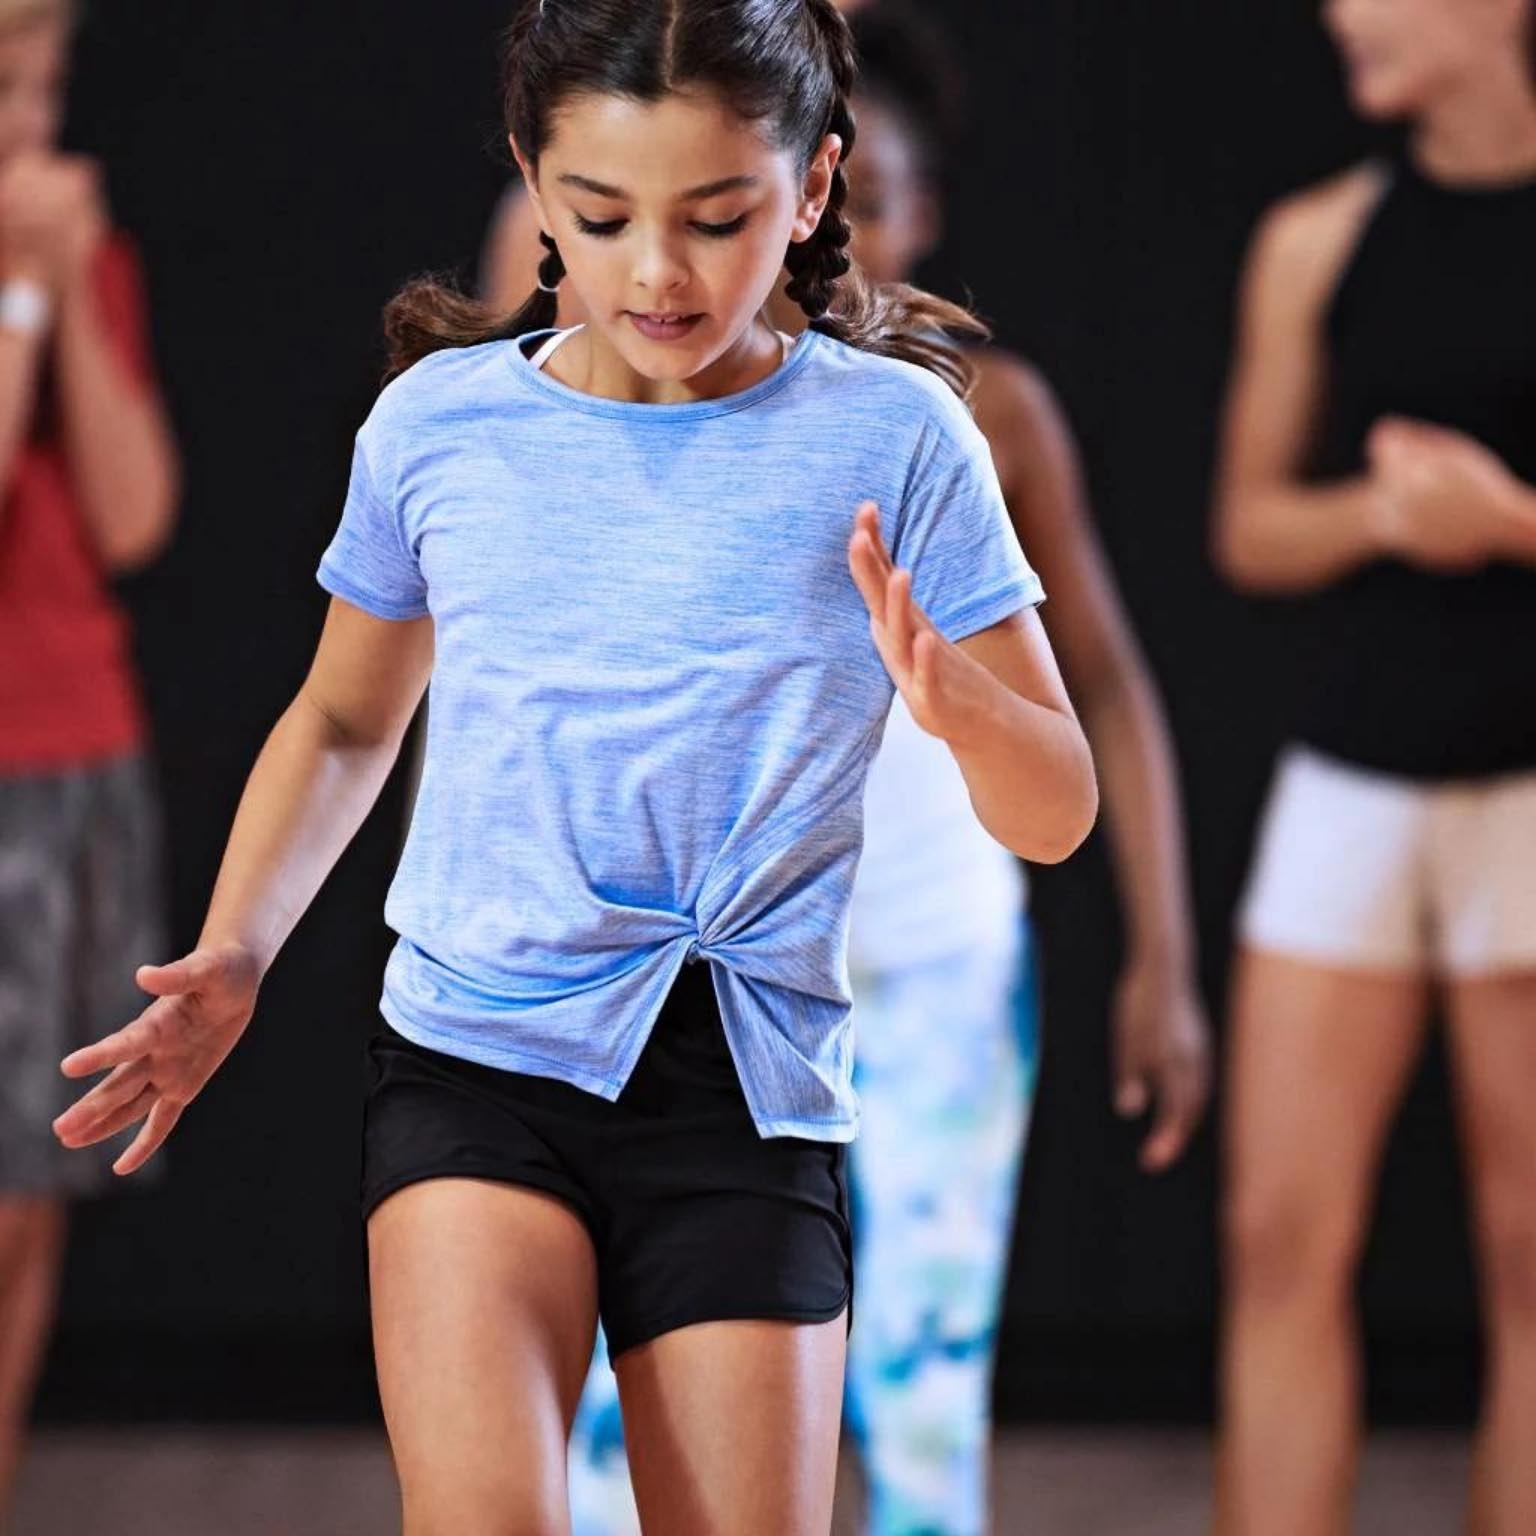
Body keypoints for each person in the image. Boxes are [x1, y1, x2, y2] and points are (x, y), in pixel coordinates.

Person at [54, 3, 1098, 1532]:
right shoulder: (441, 426)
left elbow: (1056, 807)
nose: (658, 272)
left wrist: (960, 704)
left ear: (812, 191)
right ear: (535, 194)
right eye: (602, 218)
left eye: (718, 216)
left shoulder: (902, 439)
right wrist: (239, 948)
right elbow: (346, 720)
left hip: (746, 1086)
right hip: (478, 1058)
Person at [482, 5, 1210, 1533]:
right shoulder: (608, 377)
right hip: (683, 976)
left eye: (860, 207)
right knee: (626, 1406)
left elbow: (1111, 697)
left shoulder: (971, 416)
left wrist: (1165, 952)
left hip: (927, 957)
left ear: (858, 202)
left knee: (923, 1387)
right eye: (633, 212)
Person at [1212, 1, 1536, 1530]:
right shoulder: (1318, 237)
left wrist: (1512, 520)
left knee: (1529, 1249)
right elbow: (1251, 525)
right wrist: (1391, 520)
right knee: (1280, 1237)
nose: (1345, 13)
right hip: (1353, 778)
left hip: (1529, 795)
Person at [0, 0, 179, 1520]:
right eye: (2, 78)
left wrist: (60, 283)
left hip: (74, 754)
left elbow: (129, 517)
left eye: (46, 78)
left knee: (32, 1198)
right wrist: (14, 299)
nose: (30, 114)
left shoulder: (81, 257)